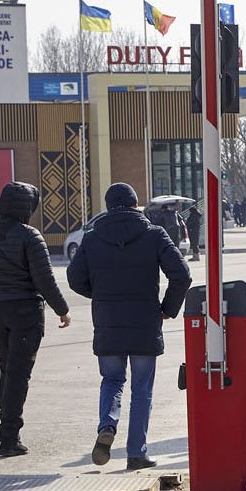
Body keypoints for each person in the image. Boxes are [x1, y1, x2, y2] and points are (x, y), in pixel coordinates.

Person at [68, 182, 192, 471]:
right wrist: (167, 309)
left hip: (108, 320)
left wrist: (99, 295)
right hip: (145, 321)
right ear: (136, 205)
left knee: (111, 380)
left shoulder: (93, 236)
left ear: (108, 206)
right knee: (141, 389)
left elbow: (75, 278)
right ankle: (136, 453)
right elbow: (182, 275)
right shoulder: (154, 234)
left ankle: (107, 426)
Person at [0, 182, 72, 456]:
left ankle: (7, 430)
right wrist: (62, 309)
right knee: (18, 373)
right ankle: (9, 438)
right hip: (24, 311)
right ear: (28, 207)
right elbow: (44, 280)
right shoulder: (30, 236)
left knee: (7, 366)